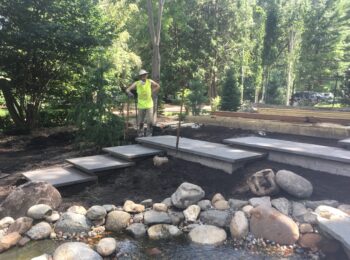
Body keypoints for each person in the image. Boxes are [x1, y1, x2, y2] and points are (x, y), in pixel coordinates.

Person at [126, 69, 160, 137]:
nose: (144, 76)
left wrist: (152, 91)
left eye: (145, 75)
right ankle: (140, 133)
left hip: (149, 104)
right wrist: (130, 93)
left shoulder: (149, 81)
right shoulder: (137, 83)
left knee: (150, 120)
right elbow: (127, 90)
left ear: (147, 75)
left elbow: (158, 86)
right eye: (142, 75)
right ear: (140, 76)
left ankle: (149, 133)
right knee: (141, 121)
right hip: (141, 104)